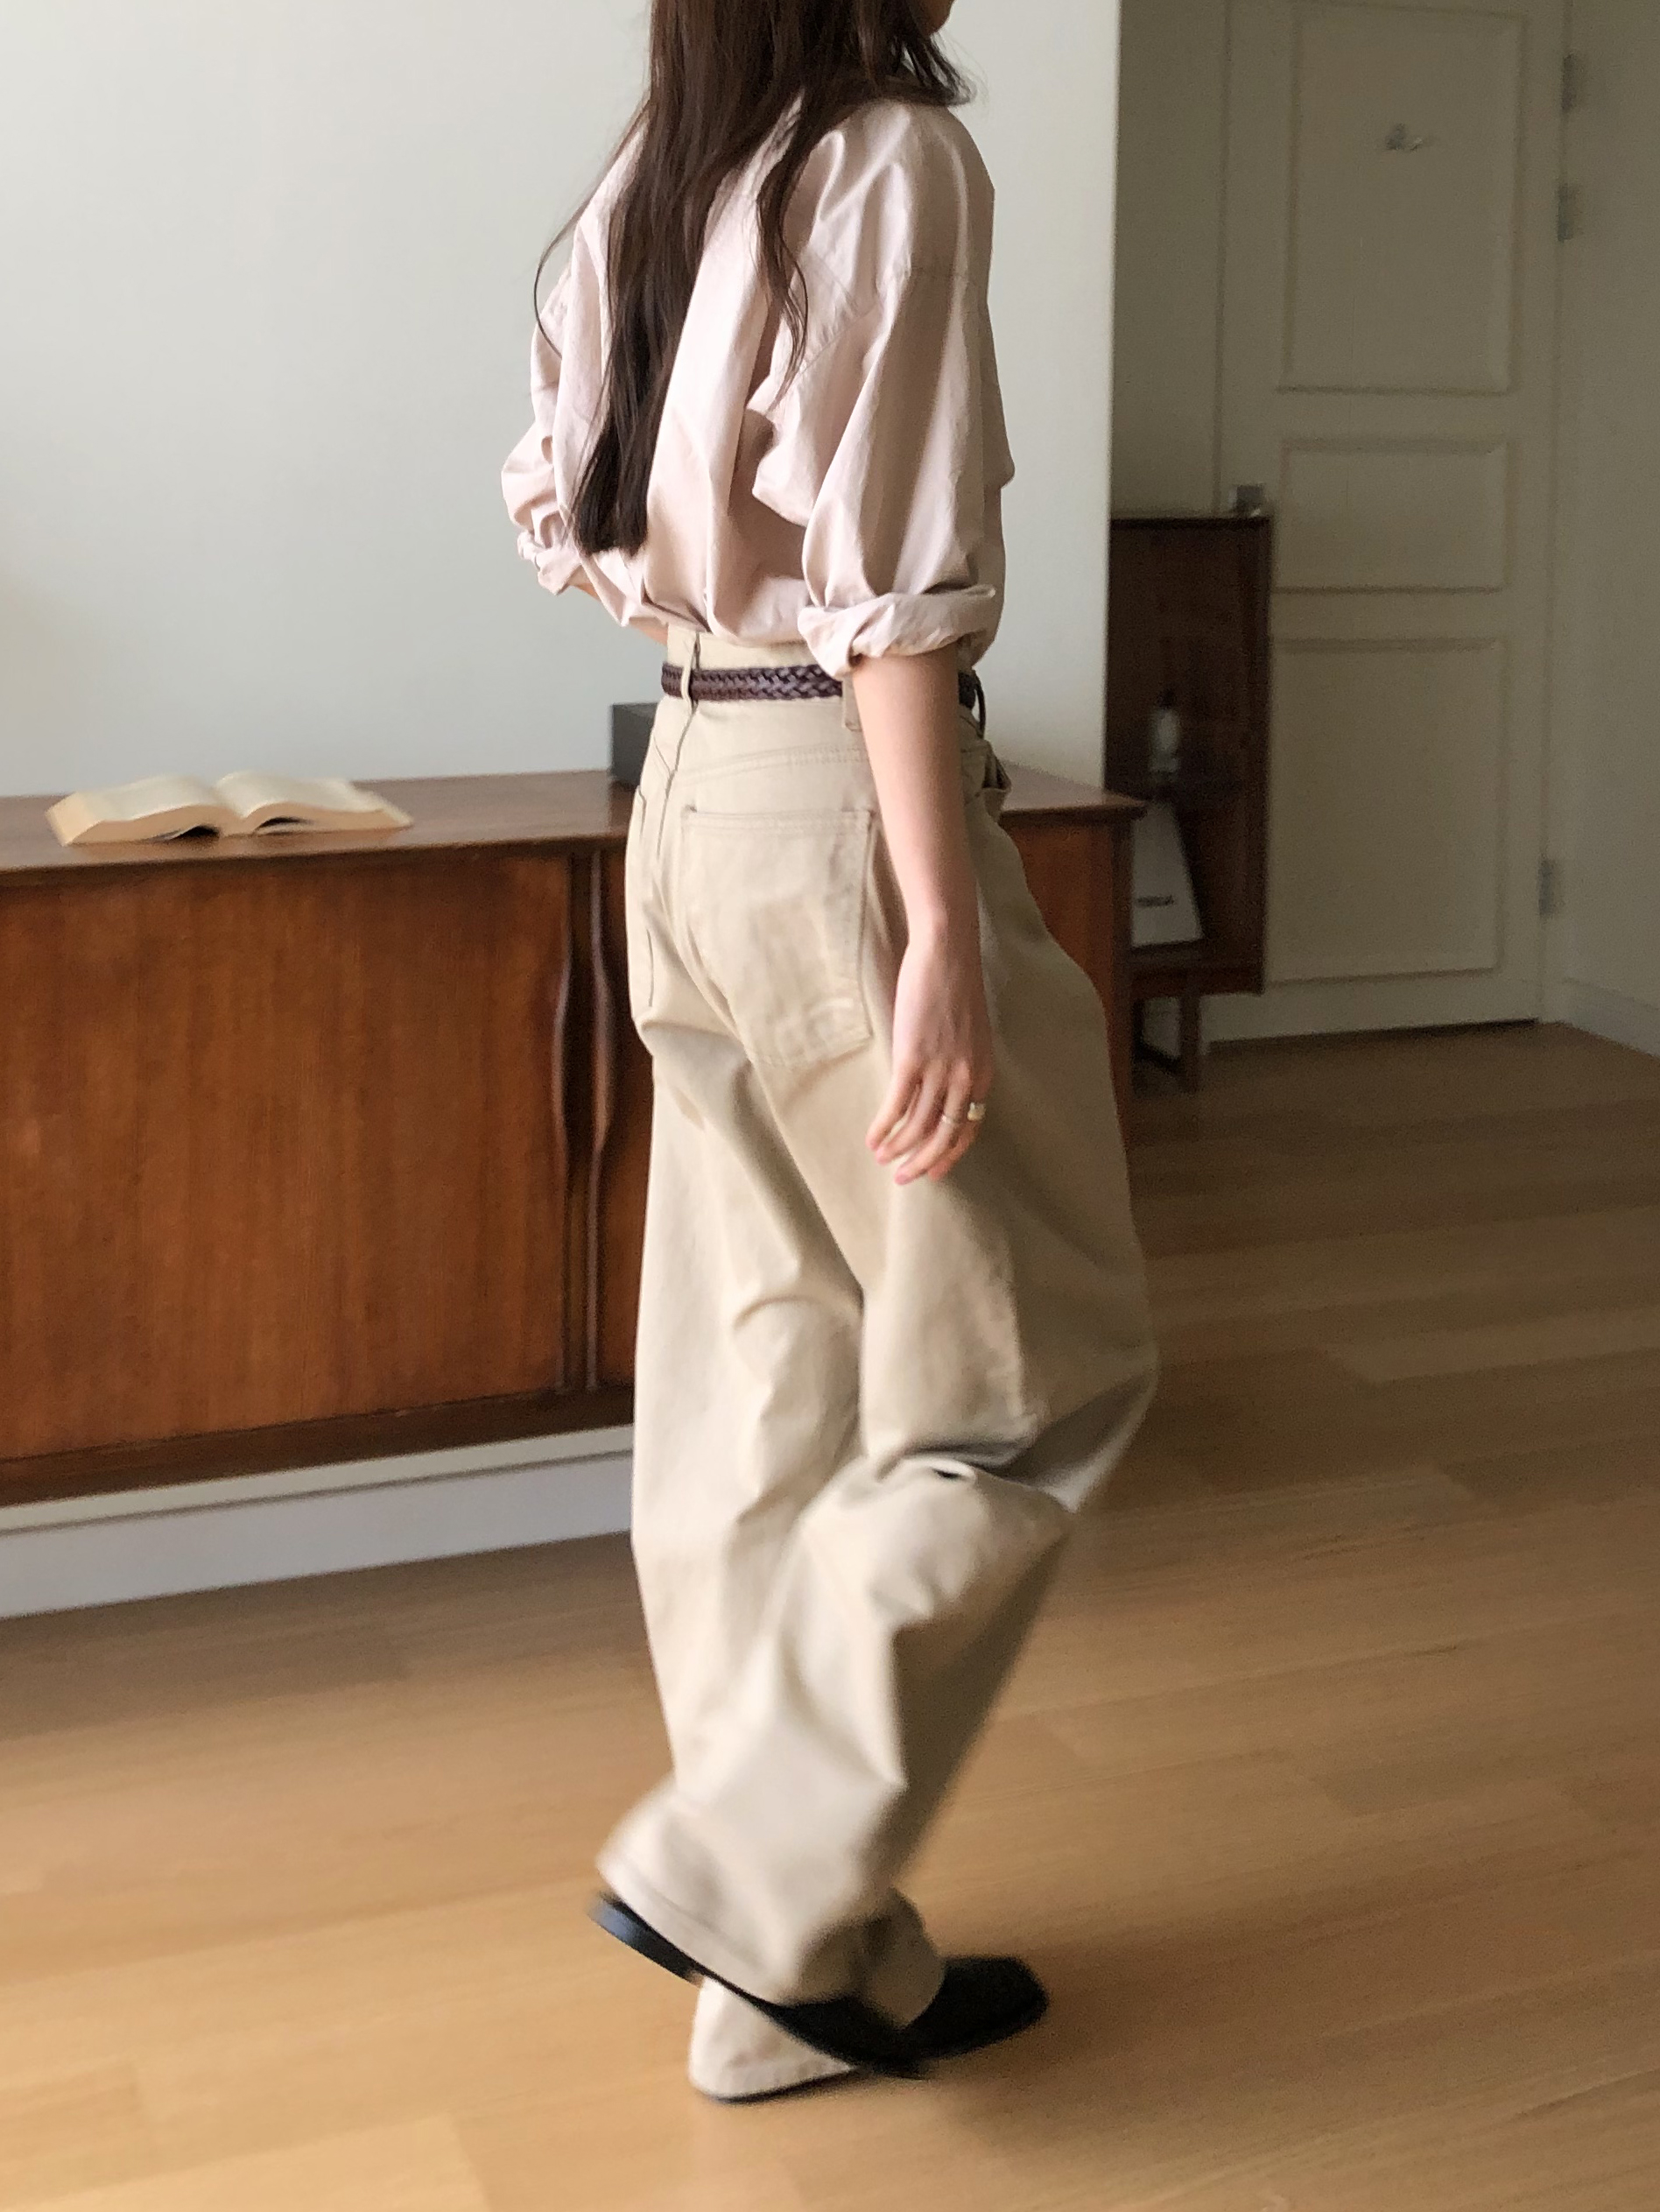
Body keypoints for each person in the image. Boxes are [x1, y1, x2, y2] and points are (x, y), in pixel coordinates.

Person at [503, 0, 1157, 2106]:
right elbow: (895, 590)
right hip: (837, 813)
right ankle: (739, 1866)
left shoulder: (662, 166)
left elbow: (561, 505)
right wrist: (940, 923)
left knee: (756, 1397)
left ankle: (797, 1976)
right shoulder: (888, 160)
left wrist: (726, 633)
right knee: (1027, 1378)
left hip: (686, 791)